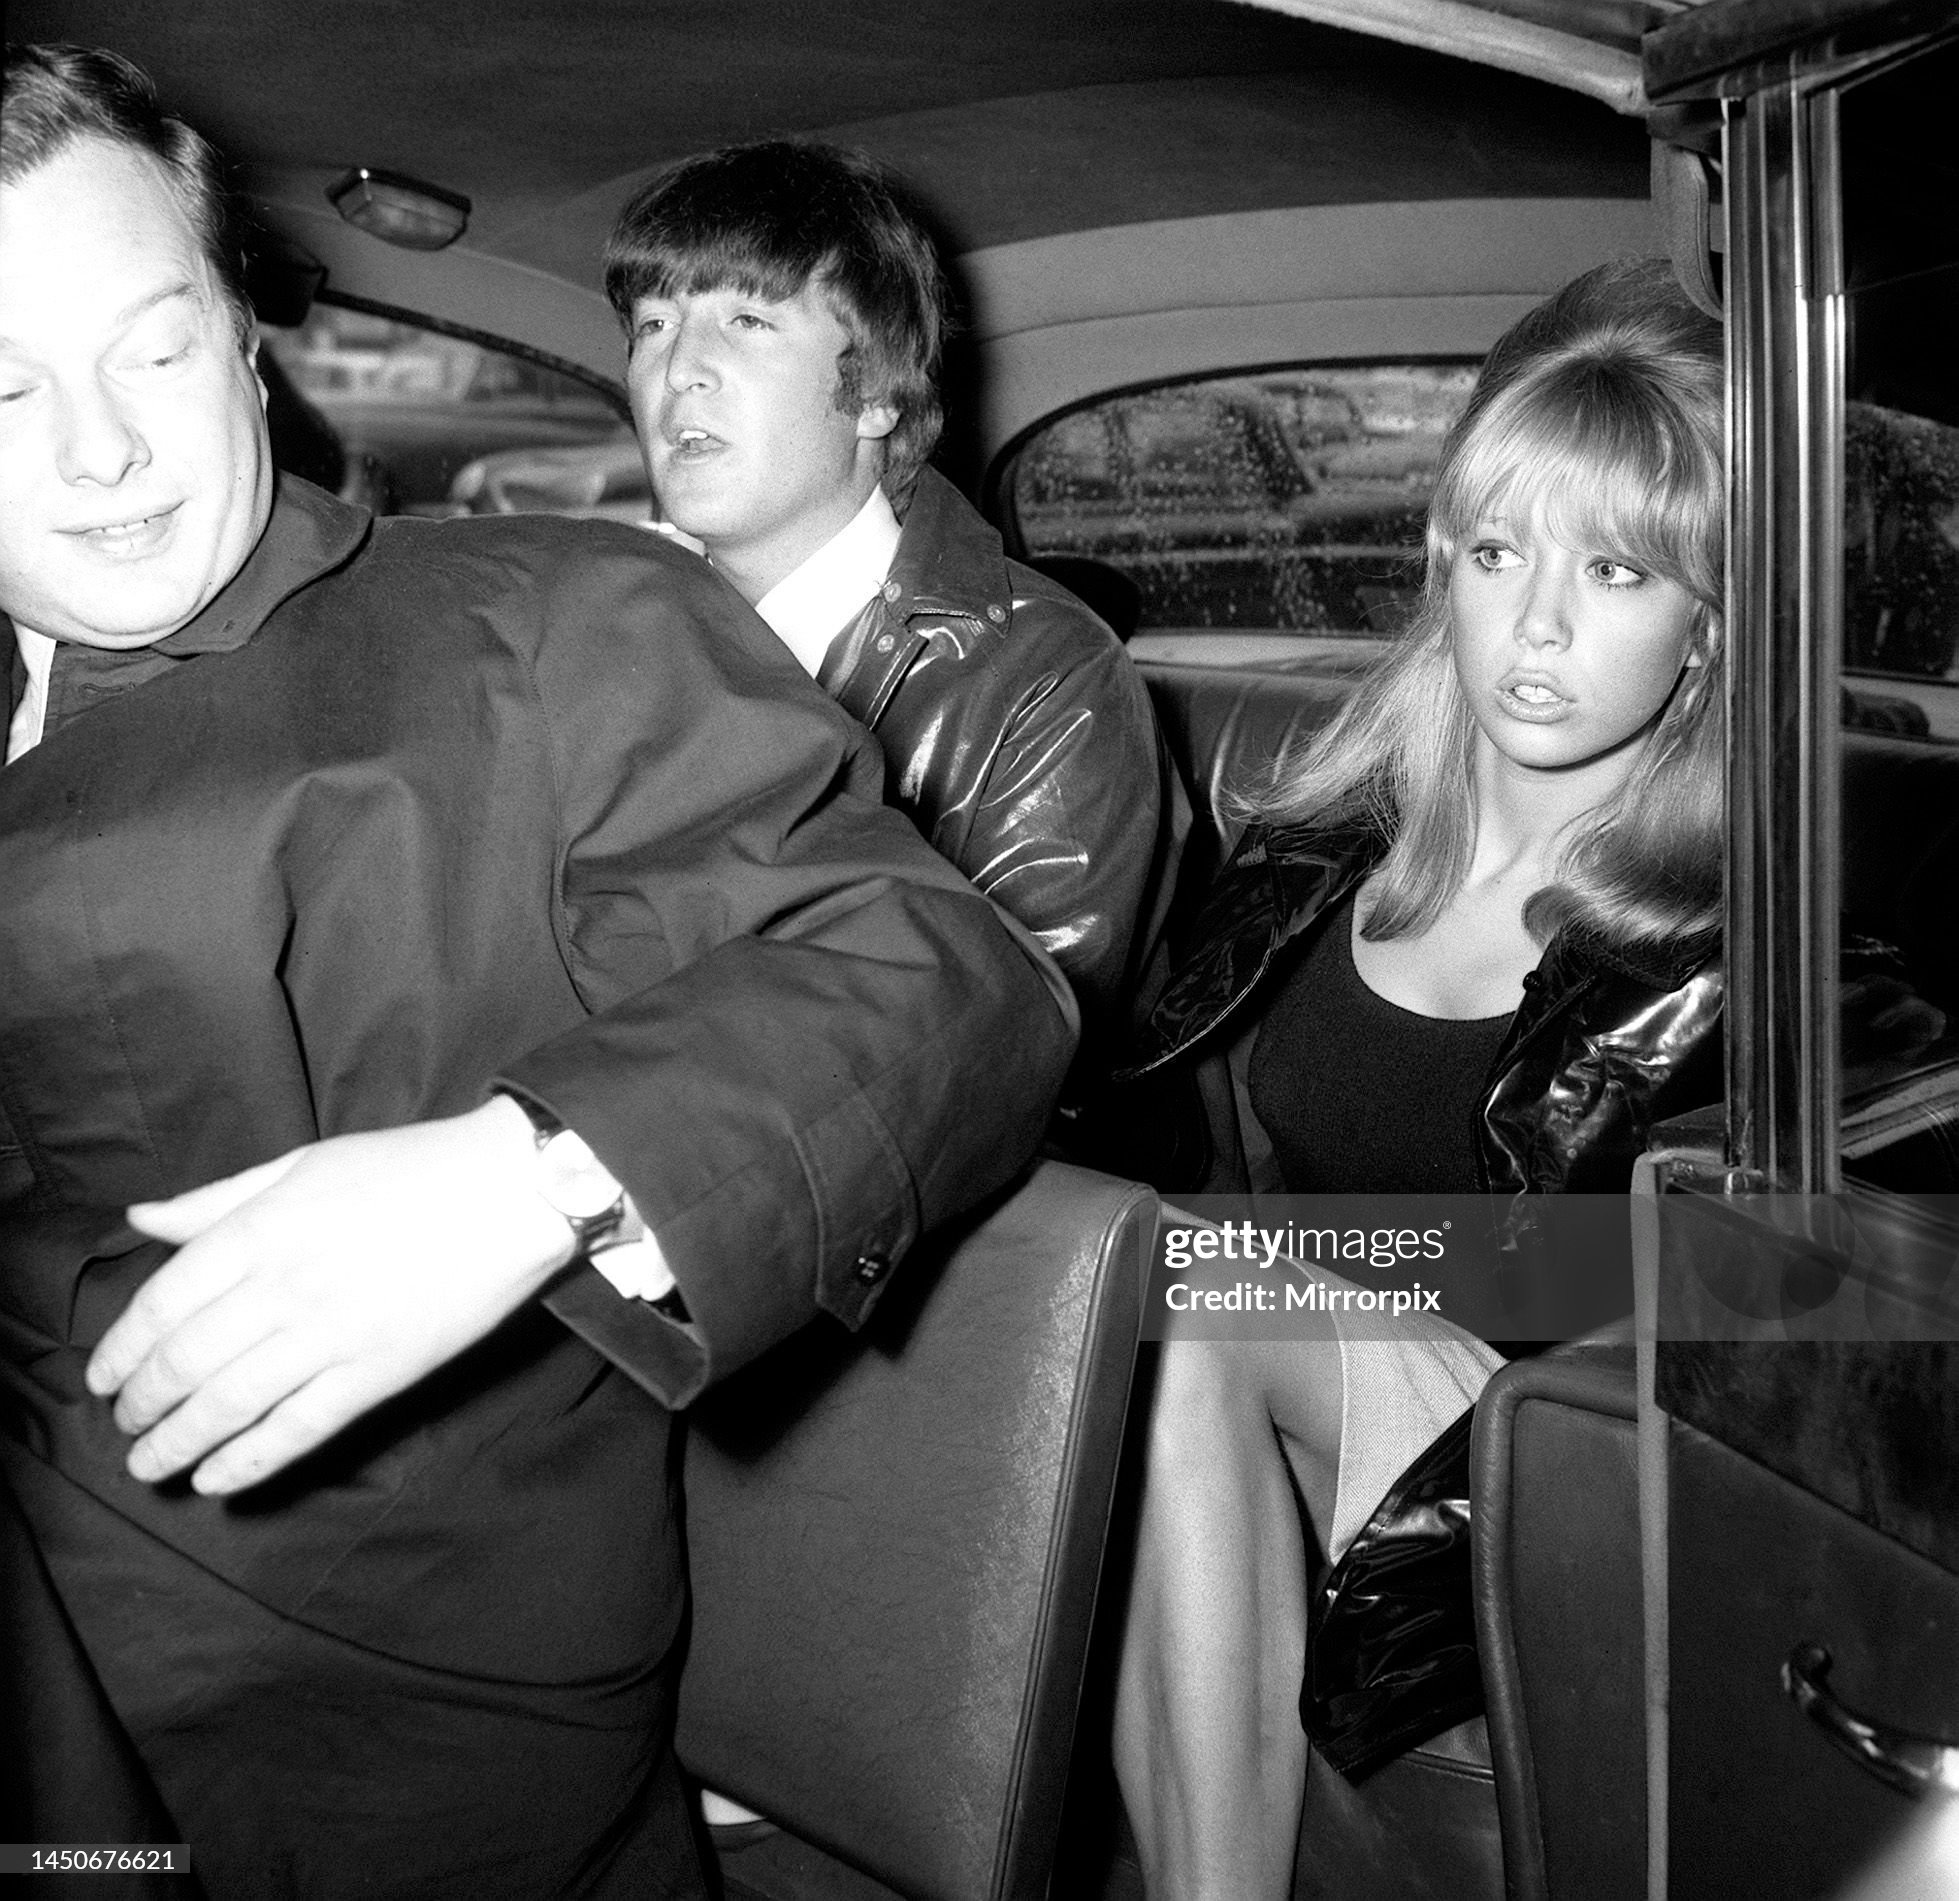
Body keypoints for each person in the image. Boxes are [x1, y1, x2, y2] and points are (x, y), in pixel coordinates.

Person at [0, 44, 1075, 1897]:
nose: (99, 450)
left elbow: (951, 974)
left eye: (156, 349)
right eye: (1, 384)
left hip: (333, 1721)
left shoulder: (534, 626)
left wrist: (529, 1176)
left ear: (247, 339)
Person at [1108, 259, 1727, 1899]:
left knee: (1190, 1309)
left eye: (1610, 568)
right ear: (1437, 563)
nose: (1534, 624)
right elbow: (1148, 1142)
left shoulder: (1733, 959)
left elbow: (1748, 1305)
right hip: (1290, 1416)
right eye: (1497, 551)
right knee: (1109, 1281)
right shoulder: (1312, 851)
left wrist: (1310, 1278)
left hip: (1536, 1480)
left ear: (1704, 624)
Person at [602, 139, 1185, 1069]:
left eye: (748, 321)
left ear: (873, 391)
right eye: (654, 325)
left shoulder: (1045, 681)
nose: (680, 372)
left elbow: (1001, 1060)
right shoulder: (590, 630)